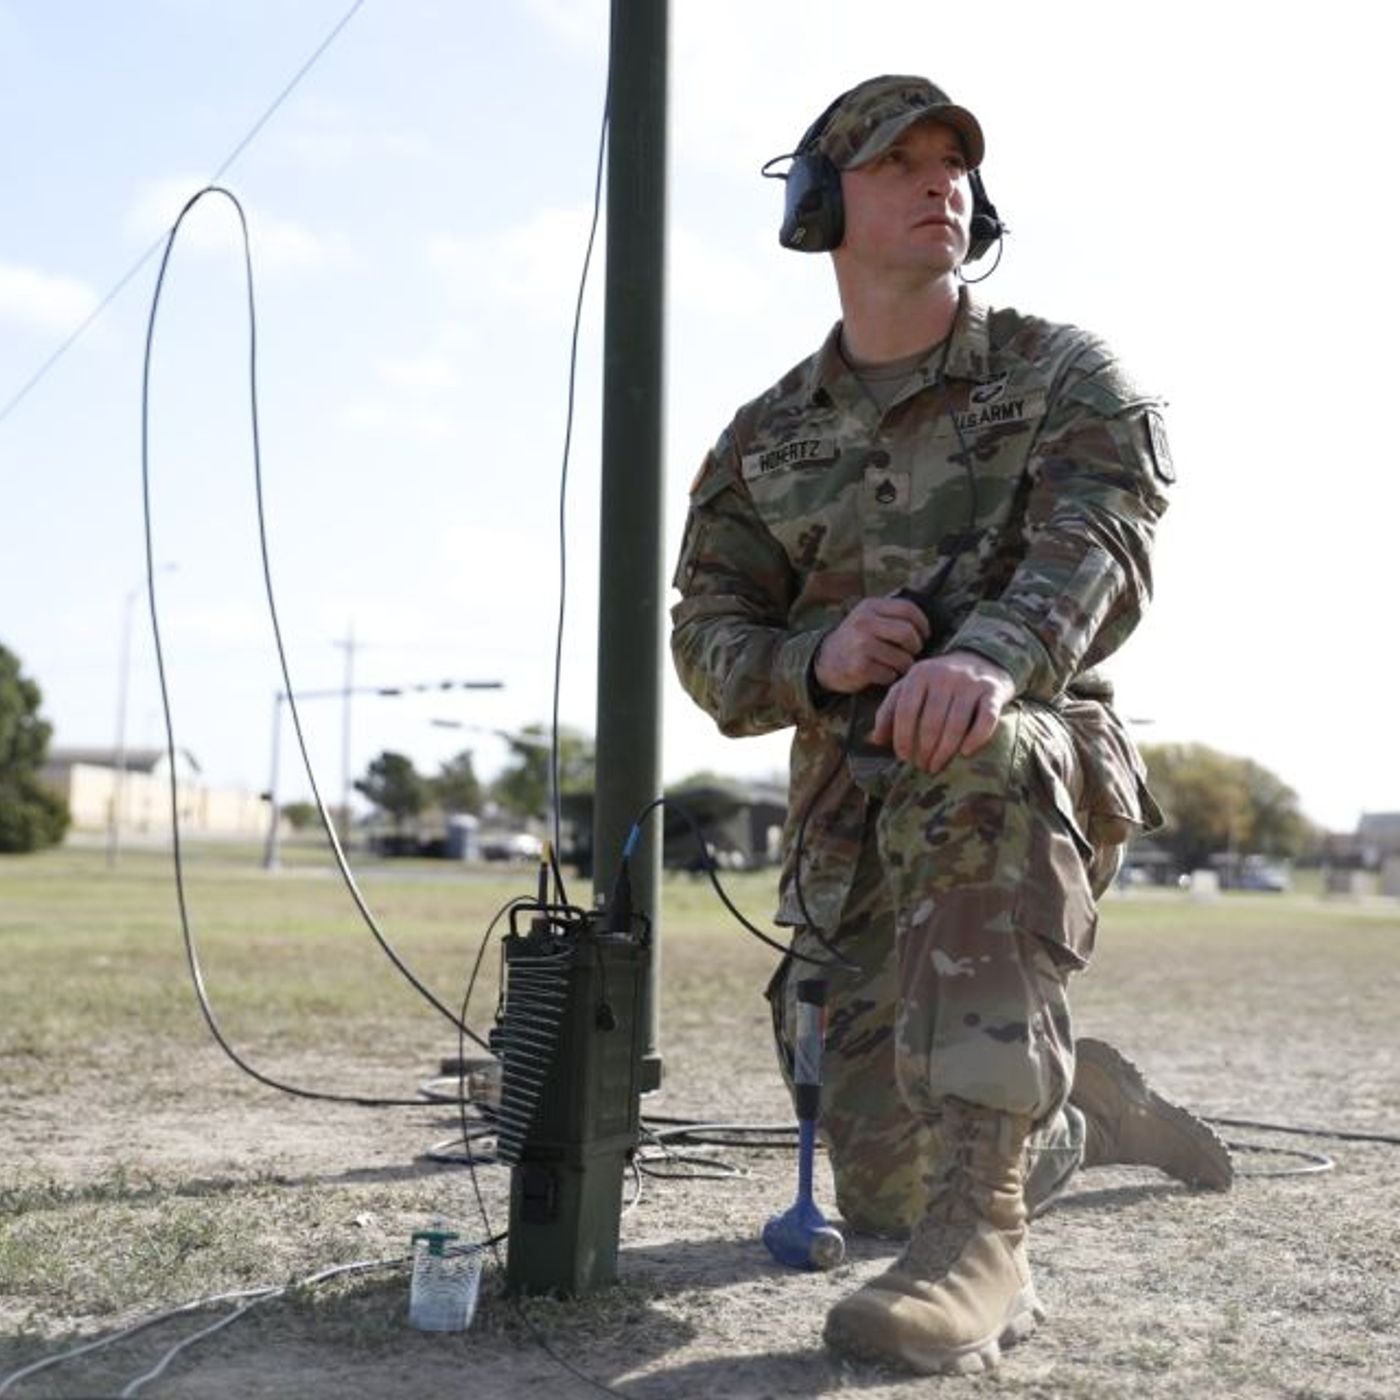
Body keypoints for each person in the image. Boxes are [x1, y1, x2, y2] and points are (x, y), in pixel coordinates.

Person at [669, 75, 1232, 1375]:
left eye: (953, 162)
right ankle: (1079, 1107)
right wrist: (816, 657)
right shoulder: (765, 441)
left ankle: (985, 1241)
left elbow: (1103, 540)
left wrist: (985, 659)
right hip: (847, 836)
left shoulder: (1061, 375)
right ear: (824, 205)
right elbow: (709, 638)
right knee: (876, 1195)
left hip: (1022, 773)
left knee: (963, 740)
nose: (939, 182)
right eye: (896, 161)